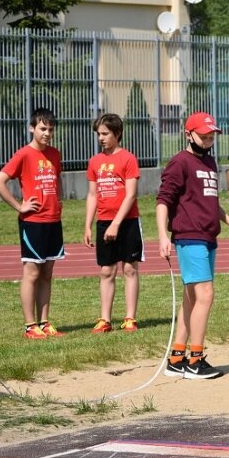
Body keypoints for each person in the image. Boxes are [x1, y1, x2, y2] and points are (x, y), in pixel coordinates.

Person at [156, 111, 229, 380]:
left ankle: (176, 358)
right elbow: (163, 201)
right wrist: (162, 236)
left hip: (209, 237)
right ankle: (195, 360)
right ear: (188, 134)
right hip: (188, 236)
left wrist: (228, 219)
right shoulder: (179, 163)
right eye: (203, 136)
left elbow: (209, 200)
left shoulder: (209, 162)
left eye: (211, 137)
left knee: (192, 298)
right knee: (205, 294)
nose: (208, 141)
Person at [0, 107, 65, 339]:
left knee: (47, 273)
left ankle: (44, 323)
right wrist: (19, 206)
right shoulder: (23, 154)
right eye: (43, 129)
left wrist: (58, 200)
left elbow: (57, 180)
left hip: (53, 220)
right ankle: (29, 325)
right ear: (32, 128)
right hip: (33, 222)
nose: (47, 133)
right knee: (32, 272)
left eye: (51, 130)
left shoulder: (55, 154)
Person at [84, 113, 143, 334]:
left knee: (130, 268)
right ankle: (105, 320)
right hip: (104, 222)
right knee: (106, 271)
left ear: (117, 133)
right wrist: (88, 225)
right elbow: (92, 195)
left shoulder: (128, 159)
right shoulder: (94, 162)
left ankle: (130, 318)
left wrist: (116, 223)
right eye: (99, 134)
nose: (101, 138)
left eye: (106, 134)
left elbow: (130, 195)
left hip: (126, 222)